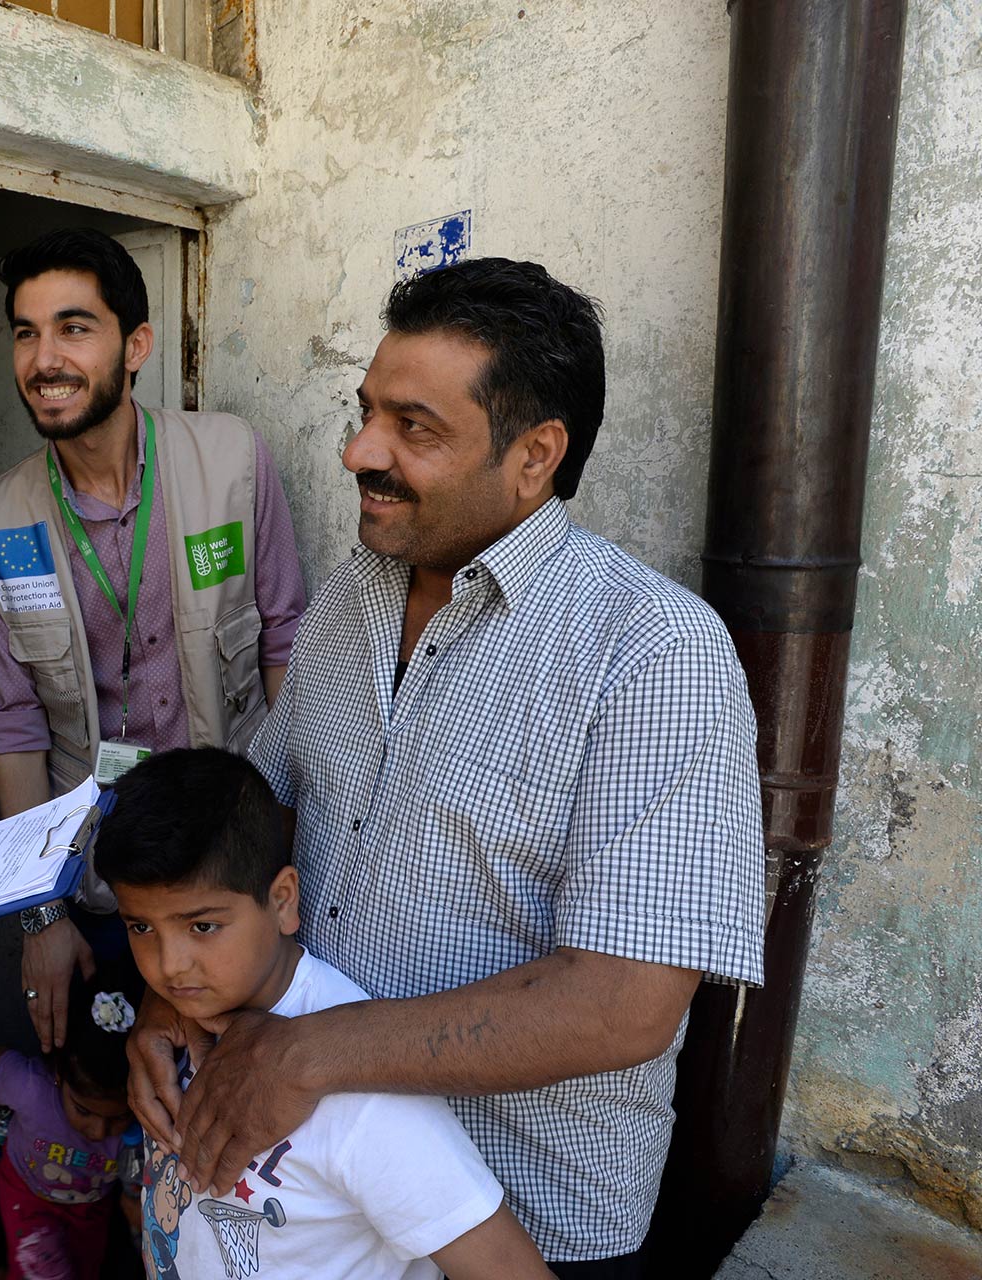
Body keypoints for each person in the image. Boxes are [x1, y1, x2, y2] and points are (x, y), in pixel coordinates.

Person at [124, 258, 767, 1279]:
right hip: (319, 1191)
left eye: (413, 427)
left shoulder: (651, 653)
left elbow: (626, 999)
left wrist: (313, 1051)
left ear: (535, 455)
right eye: (367, 409)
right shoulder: (347, 600)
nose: (358, 450)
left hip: (524, 1218)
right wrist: (173, 1003)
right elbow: (252, 835)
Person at [0, 227, 307, 1056]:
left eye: (74, 328)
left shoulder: (231, 461)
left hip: (234, 876)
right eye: (26, 332)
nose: (46, 359)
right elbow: (14, 725)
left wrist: (284, 850)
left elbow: (287, 646)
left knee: (246, 1110)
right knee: (122, 1109)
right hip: (103, 887)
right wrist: (40, 913)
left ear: (136, 345)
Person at [97, 748, 555, 1280]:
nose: (169, 967)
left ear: (284, 901)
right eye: (141, 928)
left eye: (202, 927)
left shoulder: (363, 1094)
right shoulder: (176, 1024)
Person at [0, 965, 144, 1280]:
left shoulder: (140, 1124)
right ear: (59, 1075)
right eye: (83, 1111)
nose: (98, 1131)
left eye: (118, 1117)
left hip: (92, 1211)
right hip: (28, 1196)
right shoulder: (32, 1089)